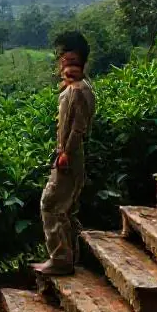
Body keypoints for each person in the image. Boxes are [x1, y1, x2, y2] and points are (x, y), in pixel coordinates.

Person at [32, 31, 97, 276]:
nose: (63, 63)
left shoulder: (78, 90)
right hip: (70, 153)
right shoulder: (77, 88)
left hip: (70, 155)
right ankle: (70, 256)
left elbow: (78, 127)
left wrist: (65, 153)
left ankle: (60, 259)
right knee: (65, 207)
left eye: (68, 59)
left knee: (51, 204)